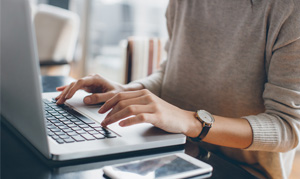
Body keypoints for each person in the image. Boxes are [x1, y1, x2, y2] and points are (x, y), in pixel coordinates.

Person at [55, 1, 300, 178]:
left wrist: (191, 121)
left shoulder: (289, 9)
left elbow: (288, 128)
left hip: (239, 170)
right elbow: (169, 73)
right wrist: (127, 92)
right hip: (170, 149)